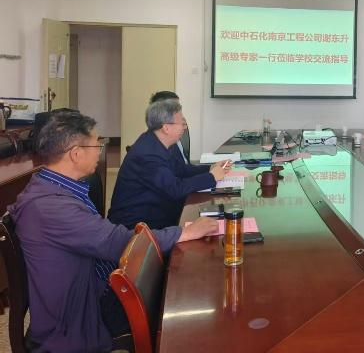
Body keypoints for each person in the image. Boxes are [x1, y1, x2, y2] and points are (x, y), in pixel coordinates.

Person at [8, 110, 217, 352]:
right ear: (76, 154)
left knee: (174, 280)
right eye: (97, 144)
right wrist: (184, 233)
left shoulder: (53, 186)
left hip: (92, 286)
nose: (100, 150)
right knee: (177, 305)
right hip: (81, 315)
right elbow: (121, 243)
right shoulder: (50, 208)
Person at [108, 99, 229, 230]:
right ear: (166, 128)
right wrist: (211, 177)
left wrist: (210, 168)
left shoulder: (161, 142)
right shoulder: (148, 155)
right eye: (181, 122)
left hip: (157, 214)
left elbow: (182, 170)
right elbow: (175, 189)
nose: (185, 127)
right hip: (137, 227)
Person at [150, 90, 190, 164]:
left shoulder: (171, 137)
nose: (184, 127)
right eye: (175, 109)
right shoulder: (153, 150)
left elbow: (182, 167)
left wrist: (210, 168)